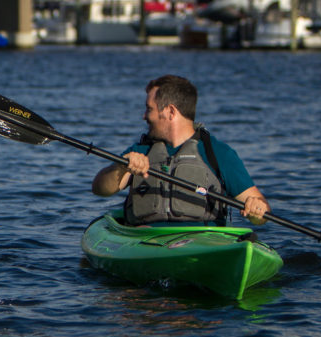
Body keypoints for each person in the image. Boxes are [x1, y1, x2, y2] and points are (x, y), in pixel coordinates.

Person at [91, 74, 270, 226]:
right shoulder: (141, 150)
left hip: (203, 242)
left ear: (170, 111)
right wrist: (121, 167)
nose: (144, 116)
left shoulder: (218, 153)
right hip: (146, 239)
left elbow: (262, 210)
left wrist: (257, 210)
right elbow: (100, 189)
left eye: (149, 109)